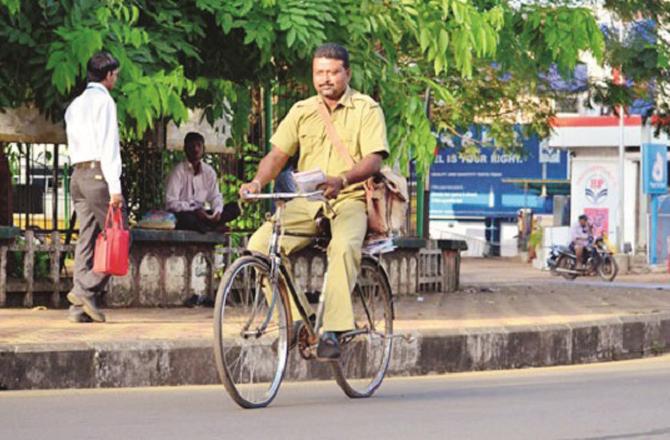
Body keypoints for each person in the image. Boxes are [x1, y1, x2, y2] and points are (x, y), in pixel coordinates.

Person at [239, 43, 389, 359]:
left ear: (347, 73)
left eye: (333, 72)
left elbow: (374, 159)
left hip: (349, 198)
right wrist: (256, 182)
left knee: (344, 246)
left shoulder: (366, 109)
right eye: (320, 72)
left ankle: (333, 329)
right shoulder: (302, 111)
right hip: (308, 200)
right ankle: (296, 320)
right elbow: (278, 155)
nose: (326, 79)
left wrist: (343, 179)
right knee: (260, 244)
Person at [64, 51, 125, 323]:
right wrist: (115, 187)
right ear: (108, 75)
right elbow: (108, 146)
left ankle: (79, 308)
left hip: (77, 175)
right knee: (119, 236)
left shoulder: (75, 105)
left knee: (86, 237)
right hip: (98, 175)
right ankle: (84, 288)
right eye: (116, 75)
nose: (117, 79)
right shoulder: (105, 103)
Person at [165, 132, 240, 233]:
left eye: (199, 145)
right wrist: (194, 209)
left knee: (234, 208)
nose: (196, 149)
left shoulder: (209, 172)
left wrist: (217, 212)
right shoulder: (178, 171)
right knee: (187, 219)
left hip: (204, 216)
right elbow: (171, 203)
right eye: (192, 146)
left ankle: (210, 226)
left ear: (203, 148)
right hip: (186, 214)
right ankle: (212, 227)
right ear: (185, 149)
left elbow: (215, 196)